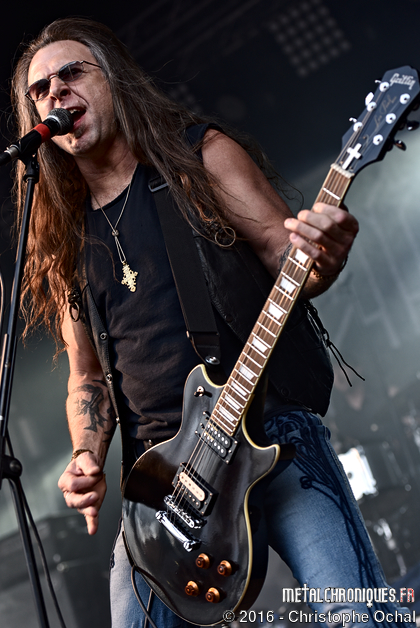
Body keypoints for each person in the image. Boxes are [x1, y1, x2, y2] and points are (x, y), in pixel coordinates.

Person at [10, 17, 414, 628]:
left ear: (114, 81)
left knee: (357, 614)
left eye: (72, 74)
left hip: (268, 433)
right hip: (161, 490)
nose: (56, 93)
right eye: (40, 89)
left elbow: (287, 256)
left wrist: (323, 256)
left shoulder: (199, 157)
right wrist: (86, 454)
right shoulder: (66, 242)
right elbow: (86, 378)